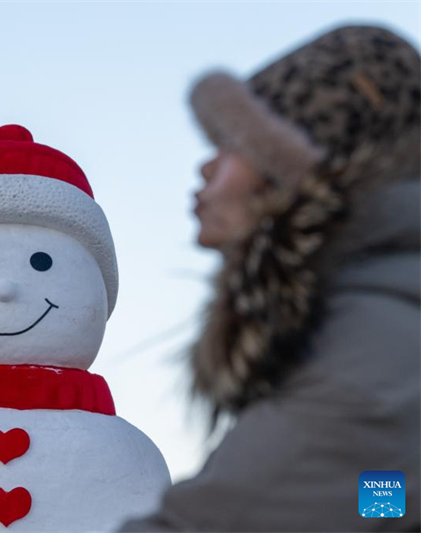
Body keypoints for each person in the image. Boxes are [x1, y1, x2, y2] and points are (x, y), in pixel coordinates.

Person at [124, 25, 420, 531]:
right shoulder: (370, 313)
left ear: (296, 166)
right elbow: (378, 499)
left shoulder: (368, 355)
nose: (206, 166)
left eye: (233, 141)